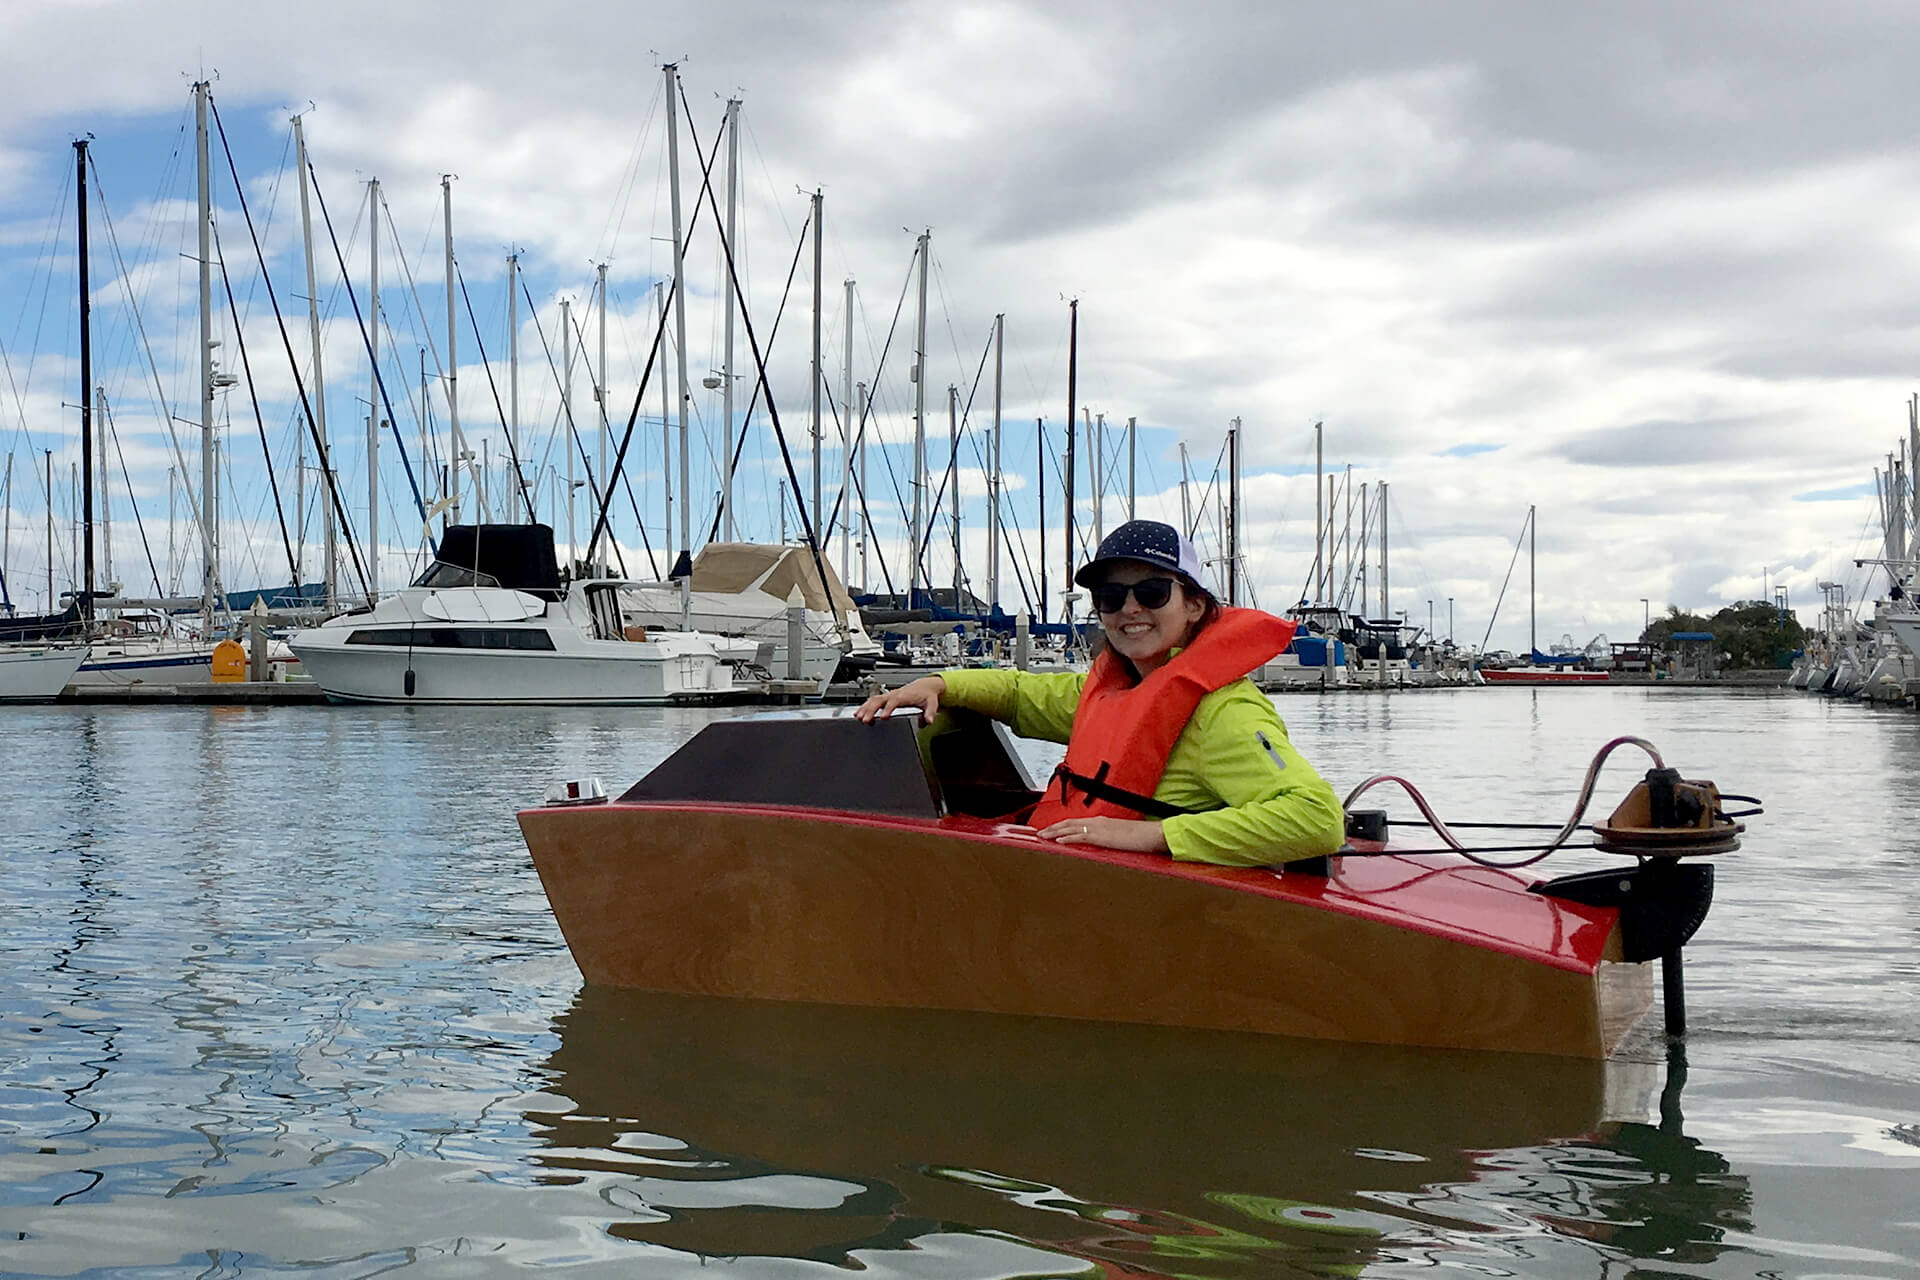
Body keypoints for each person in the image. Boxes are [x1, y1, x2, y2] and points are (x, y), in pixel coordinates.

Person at [855, 520, 1345, 867]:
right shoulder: (1117, 688)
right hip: (1076, 878)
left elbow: (1317, 820)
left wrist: (1151, 835)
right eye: (1111, 597)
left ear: (1195, 605)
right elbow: (1022, 694)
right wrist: (940, 683)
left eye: (1152, 592)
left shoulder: (1221, 711)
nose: (1130, 609)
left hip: (1151, 905)